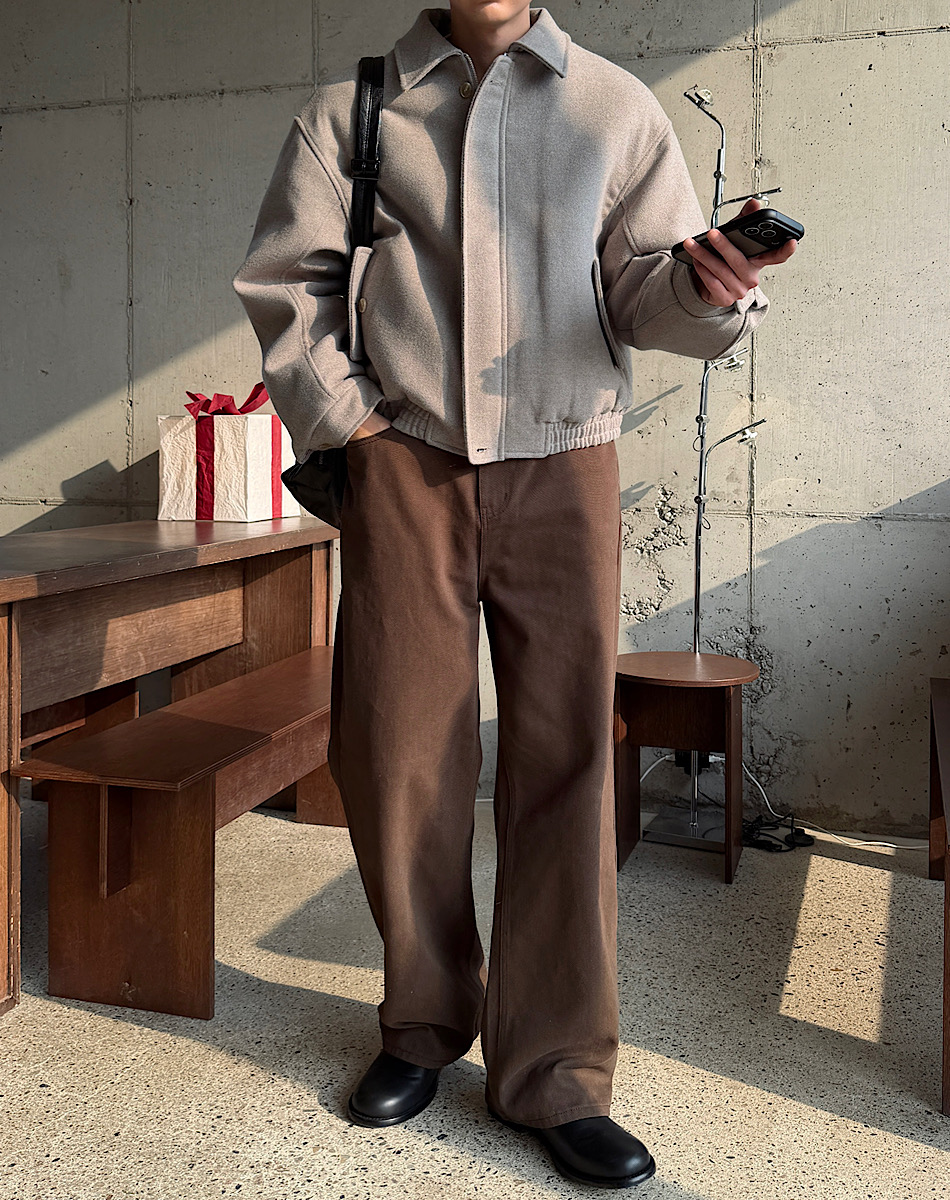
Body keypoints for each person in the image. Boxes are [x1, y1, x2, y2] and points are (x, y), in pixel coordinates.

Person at [233, 3, 795, 1188]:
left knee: (567, 761)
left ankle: (555, 1074)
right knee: (396, 754)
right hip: (407, 464)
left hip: (564, 463)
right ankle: (420, 1025)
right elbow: (290, 282)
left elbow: (641, 297)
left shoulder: (610, 107)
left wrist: (709, 289)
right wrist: (356, 428)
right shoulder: (355, 109)